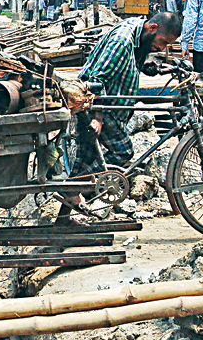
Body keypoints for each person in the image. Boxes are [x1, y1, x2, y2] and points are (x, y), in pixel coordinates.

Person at [65, 12, 183, 202]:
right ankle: (73, 188)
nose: (162, 48)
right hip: (96, 105)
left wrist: (151, 68)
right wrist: (98, 118)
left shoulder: (140, 33)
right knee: (123, 151)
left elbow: (128, 62)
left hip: (107, 106)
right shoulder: (122, 41)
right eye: (163, 42)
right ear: (153, 28)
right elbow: (97, 81)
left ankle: (68, 205)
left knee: (85, 159)